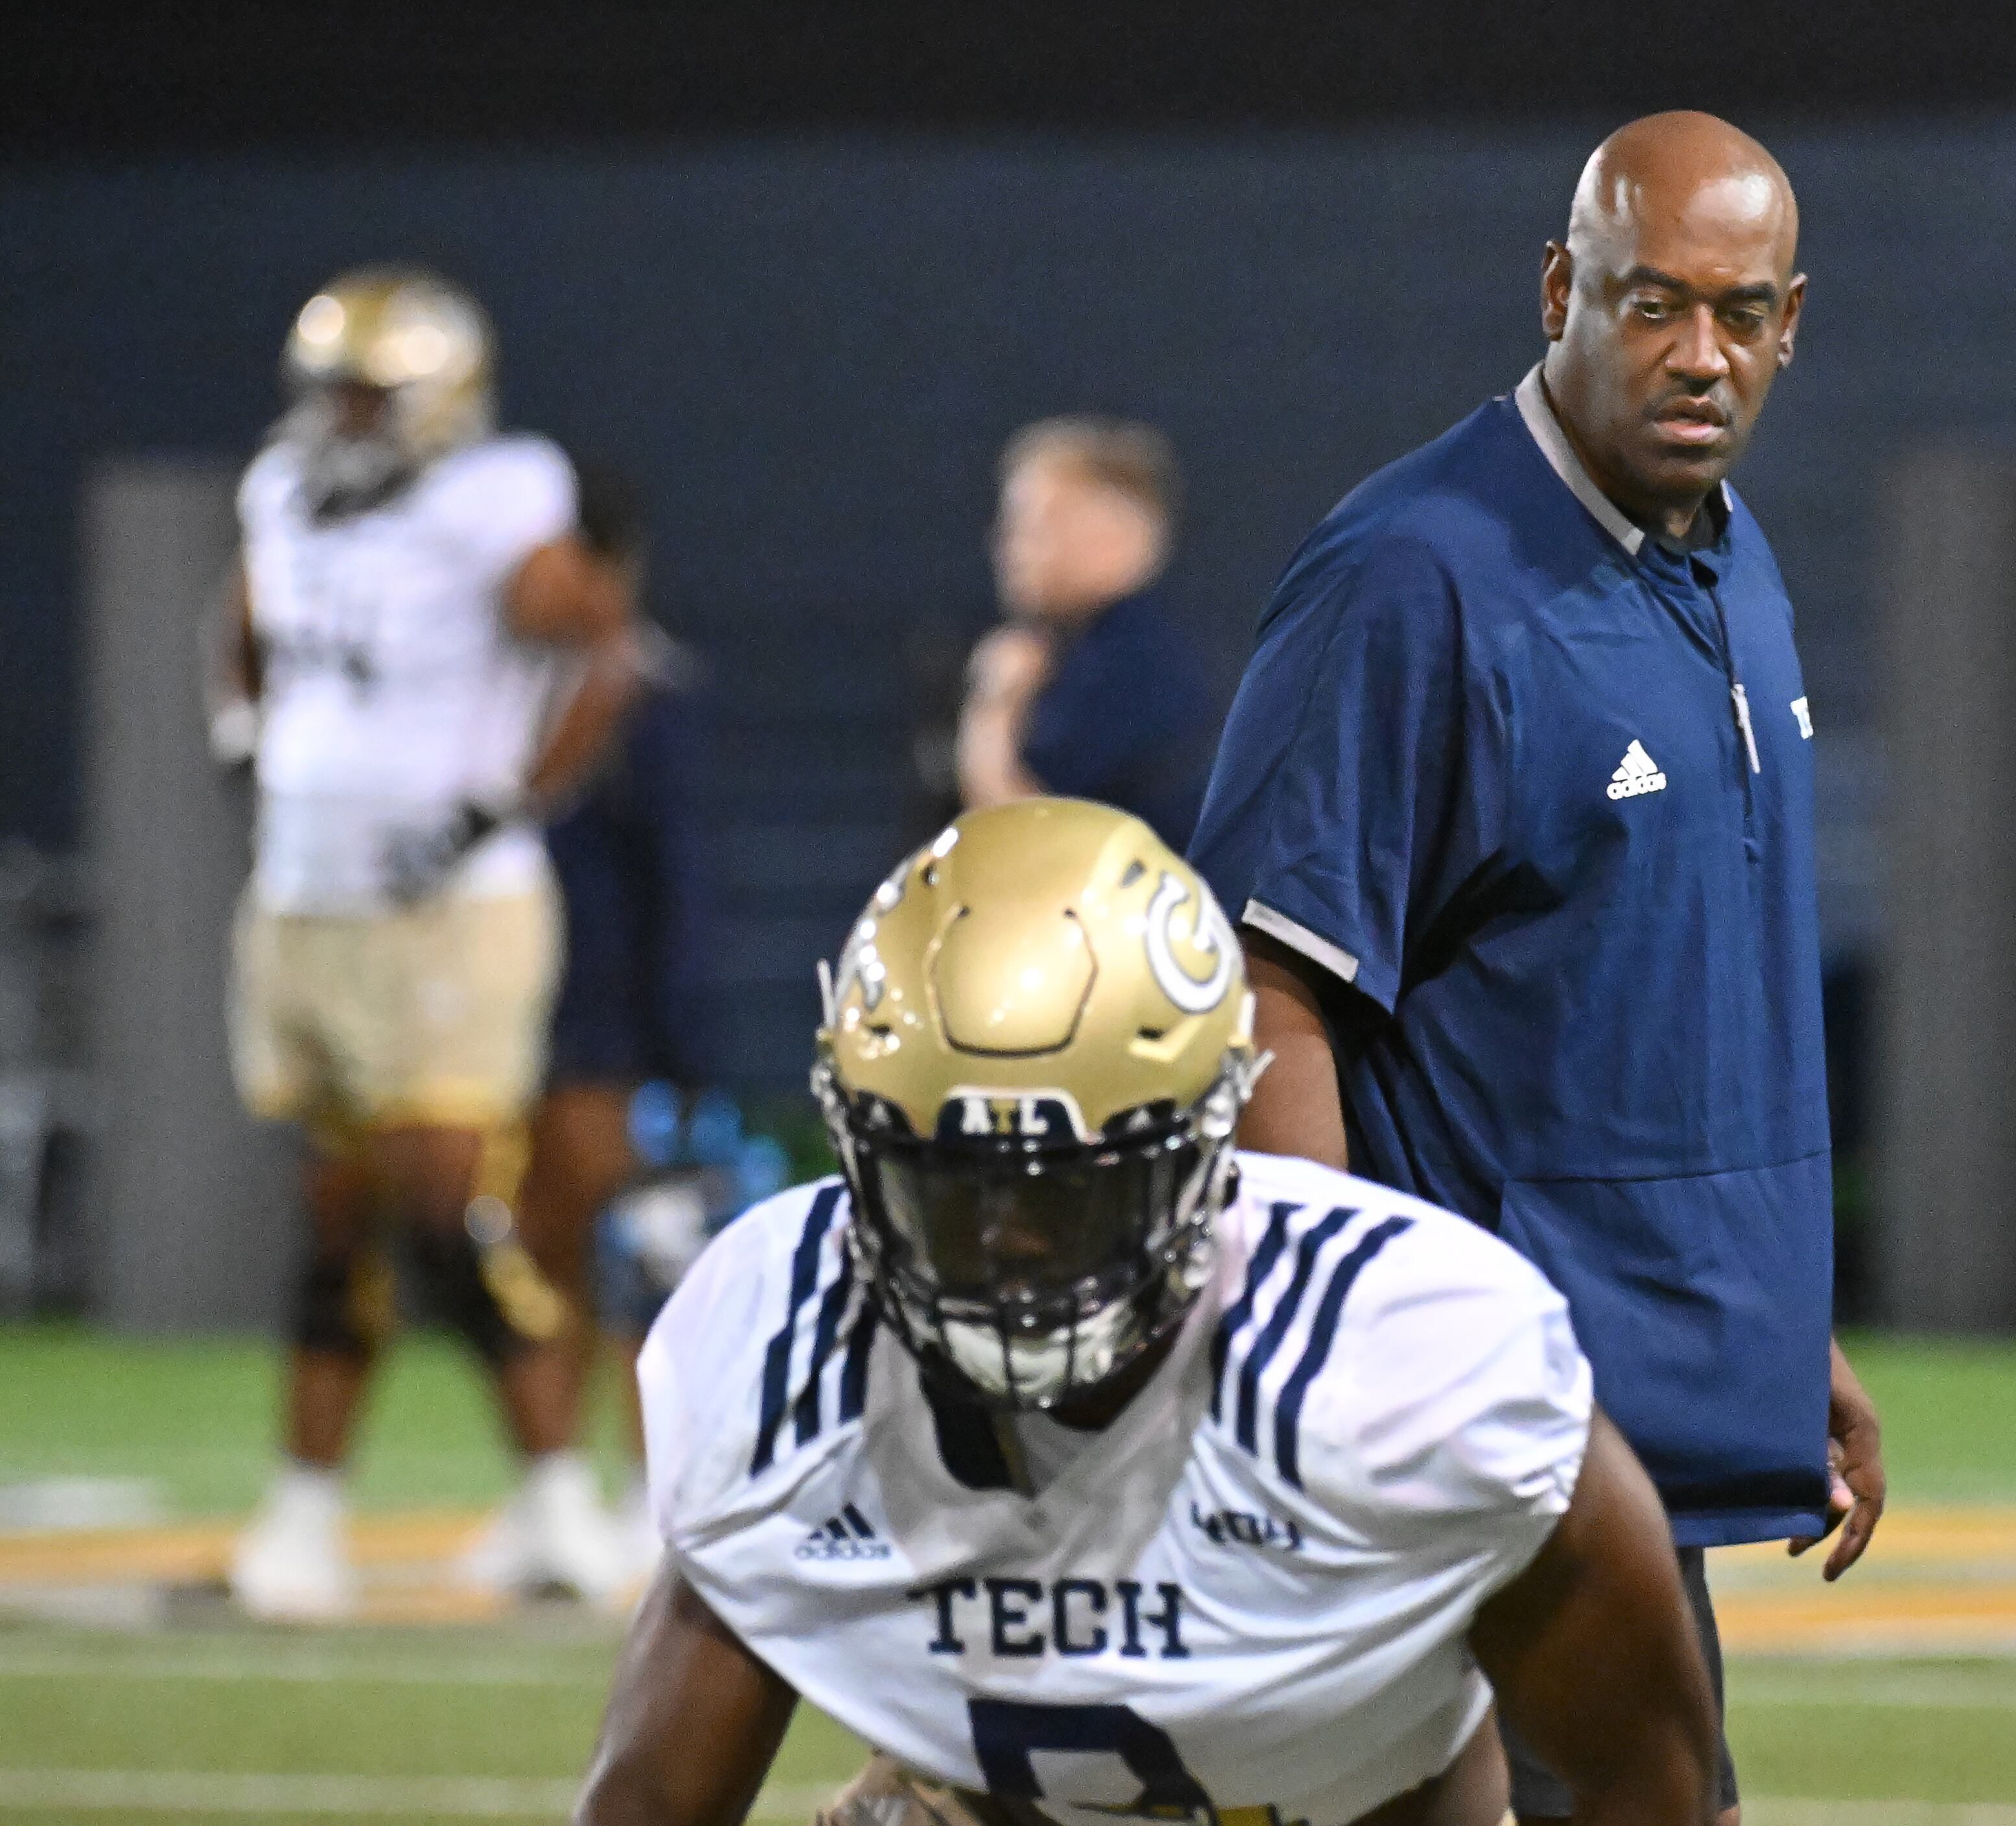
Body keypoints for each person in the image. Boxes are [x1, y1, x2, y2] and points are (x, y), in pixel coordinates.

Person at [1185, 114, 1887, 1825]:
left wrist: (1790, 1325)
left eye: (1738, 314)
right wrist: (1325, 1374)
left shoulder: (1731, 554)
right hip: (1477, 1452)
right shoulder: (1412, 576)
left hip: (1645, 1428)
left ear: (1794, 320)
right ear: (1563, 290)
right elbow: (1269, 990)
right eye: (1652, 307)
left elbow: (1665, 990)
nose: (1698, 357)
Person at [575, 799, 1721, 1826]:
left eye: (1066, 1193)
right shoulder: (788, 1356)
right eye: (951, 1187)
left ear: (1207, 1148)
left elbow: (1654, 1788)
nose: (1006, 1252)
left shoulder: (1409, 1369)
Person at [208, 267, 642, 1618]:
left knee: (446, 1207)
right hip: (304, 895)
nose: (341, 412)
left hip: (446, 911)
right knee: (334, 1214)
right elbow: (242, 624)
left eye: (368, 390)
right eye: (329, 386)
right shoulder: (284, 492)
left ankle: (559, 1499)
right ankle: (303, 1517)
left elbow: (602, 646)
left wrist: (497, 803)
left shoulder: (494, 495)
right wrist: (242, 729)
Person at [502, 459, 725, 1572]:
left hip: (610, 1028)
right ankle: (551, 1494)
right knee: (534, 1259)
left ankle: (655, 1497)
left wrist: (676, 1044)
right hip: (520, 1016)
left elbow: (673, 884)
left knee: (639, 1265)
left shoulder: (645, 691)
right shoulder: (505, 682)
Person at [954, 417, 1216, 847]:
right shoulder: (1089, 647)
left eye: (1036, 527)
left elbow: (1021, 836)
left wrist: (997, 703)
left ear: (1118, 536)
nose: (1010, 548)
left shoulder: (1134, 663)